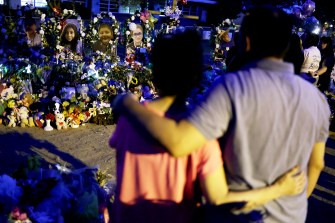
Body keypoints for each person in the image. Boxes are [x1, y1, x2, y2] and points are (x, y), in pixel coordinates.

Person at [114, 6, 330, 223]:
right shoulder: (317, 99)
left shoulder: (232, 87)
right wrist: (294, 200)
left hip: (235, 217)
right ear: (287, 44)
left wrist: (127, 104)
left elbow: (179, 142)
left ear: (246, 42)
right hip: (291, 216)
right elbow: (317, 164)